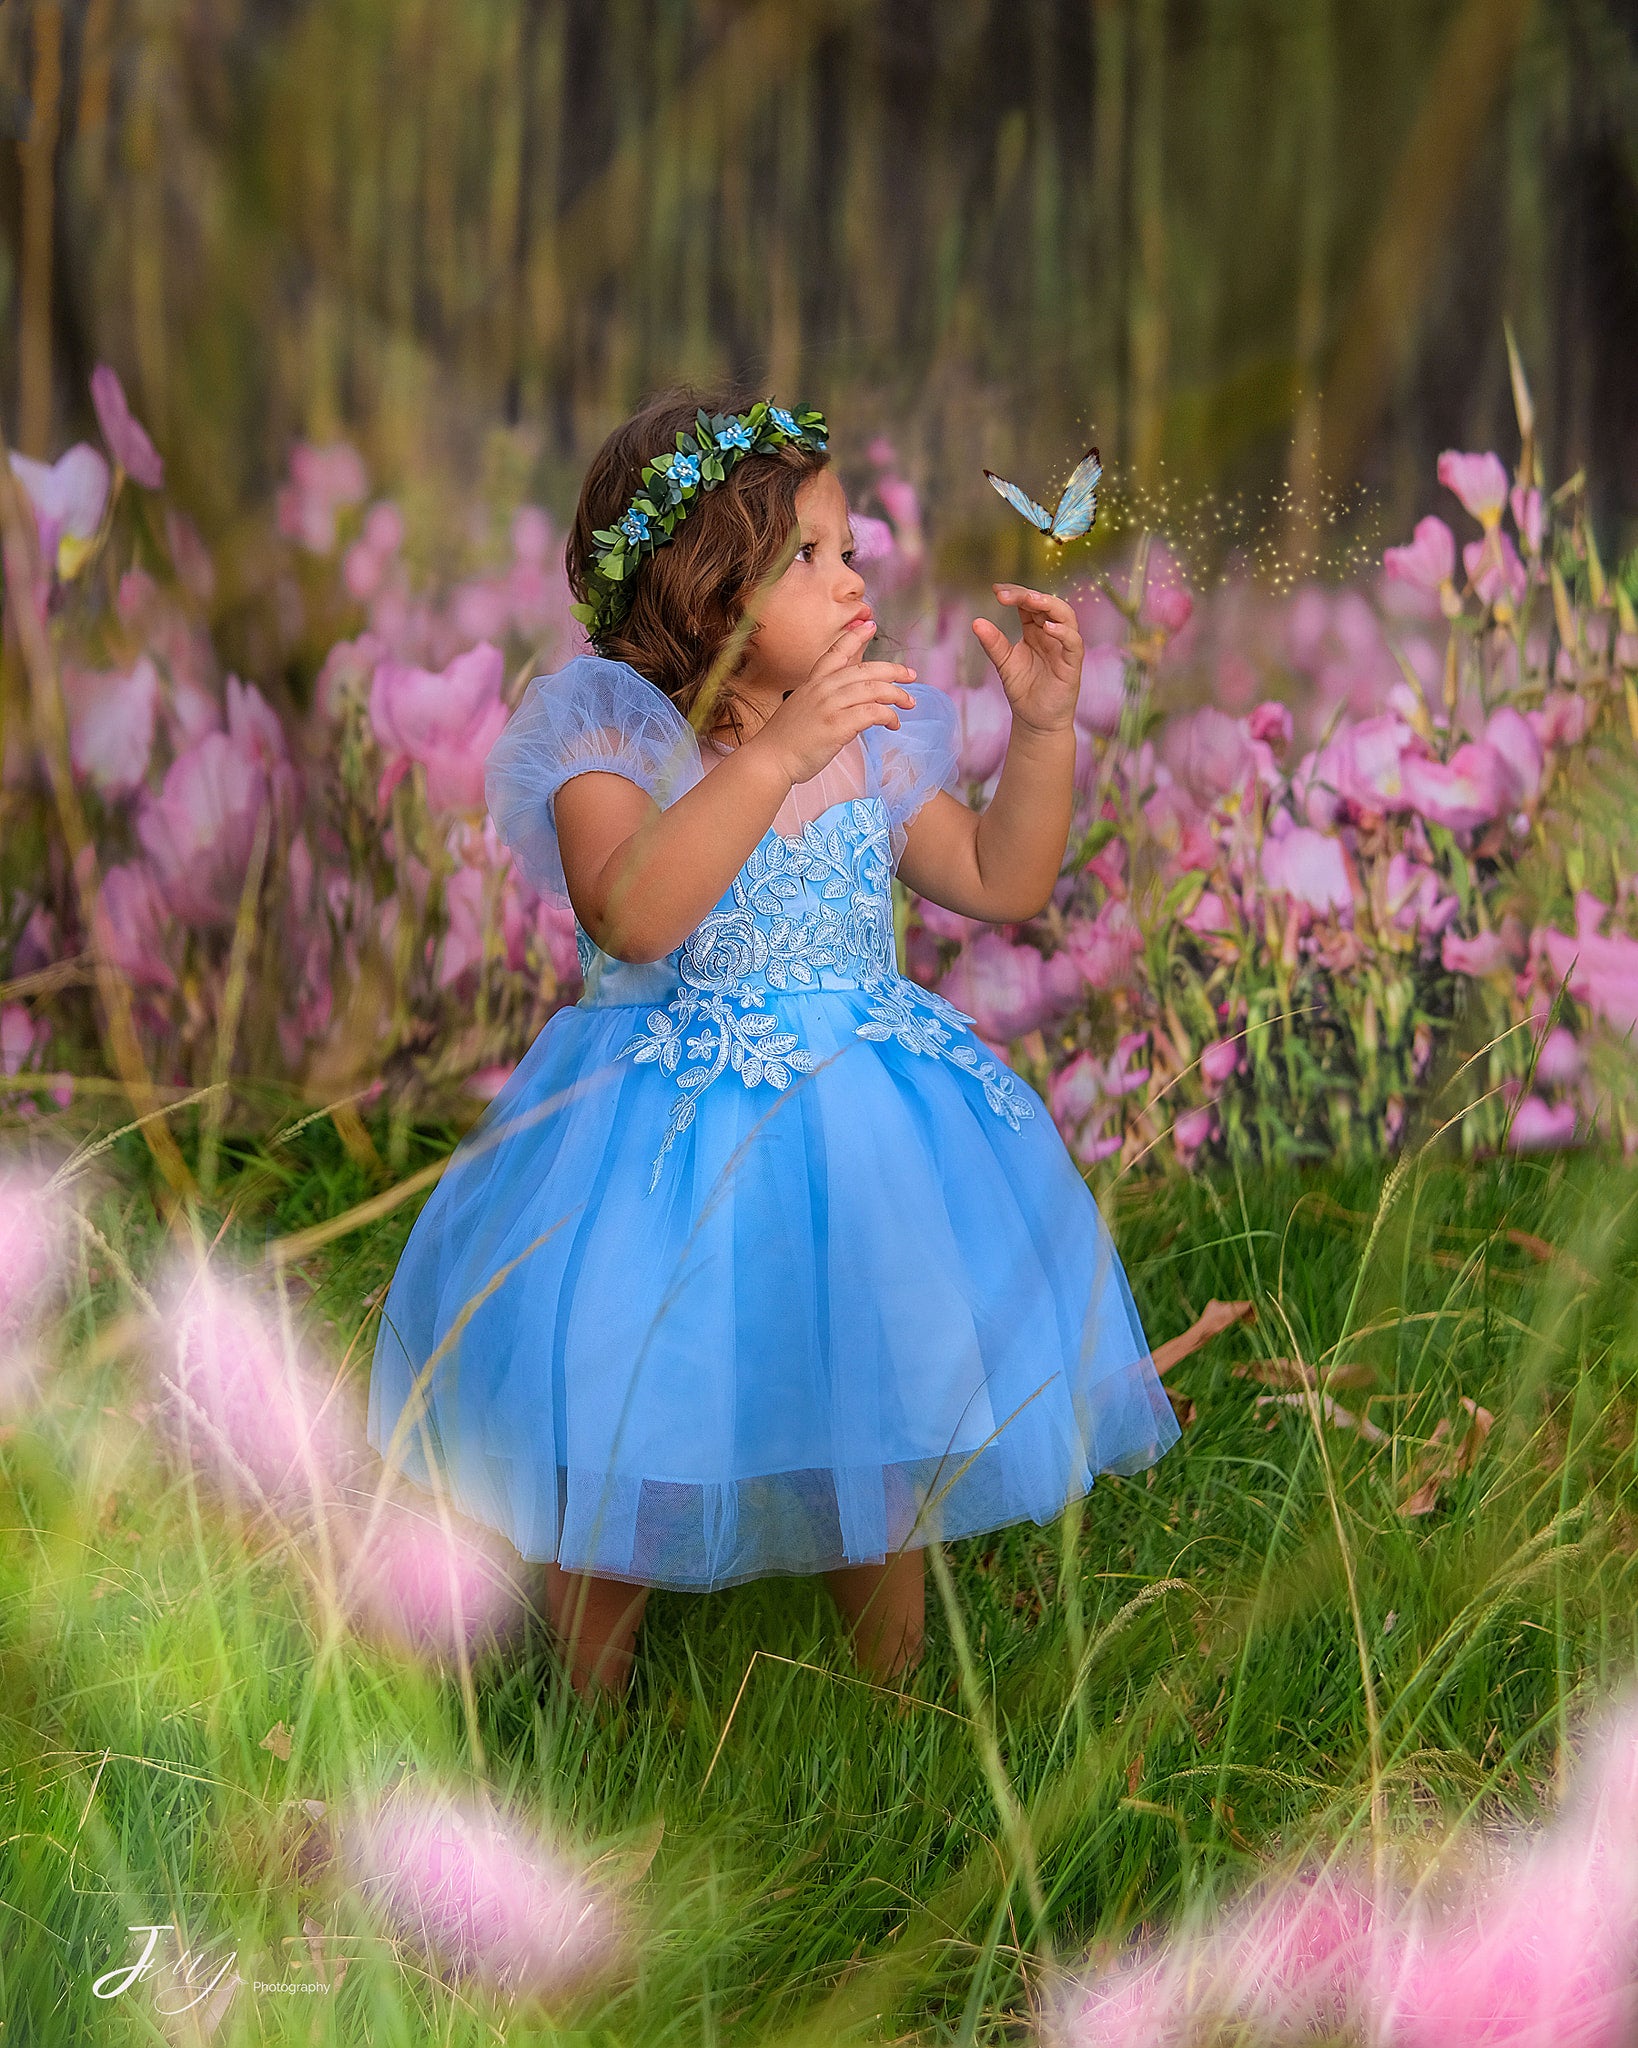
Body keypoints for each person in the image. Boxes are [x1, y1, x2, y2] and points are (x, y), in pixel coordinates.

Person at [367, 387, 1178, 1698]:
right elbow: (634, 914)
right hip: (662, 1133)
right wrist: (772, 756)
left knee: (883, 1393)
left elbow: (1000, 876)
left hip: (863, 1125)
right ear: (705, 588)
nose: (855, 576)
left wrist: (1039, 731)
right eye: (811, 556)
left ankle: (890, 1695)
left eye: (850, 548)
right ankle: (588, 1695)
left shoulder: (867, 737)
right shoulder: (612, 740)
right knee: (634, 1392)